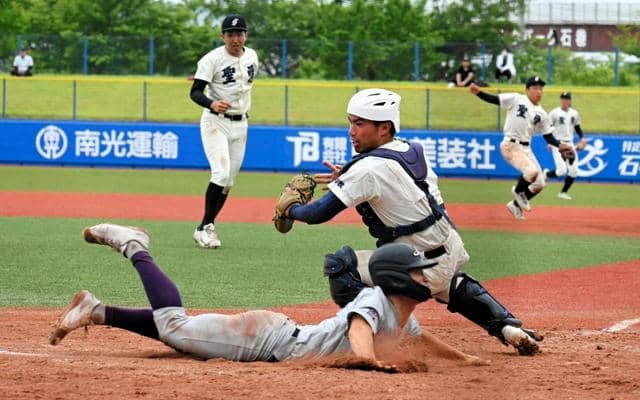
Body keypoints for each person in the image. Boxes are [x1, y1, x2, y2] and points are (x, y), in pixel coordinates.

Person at [275, 88, 543, 355]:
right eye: (350, 122)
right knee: (448, 283)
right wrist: (346, 178)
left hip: (420, 263)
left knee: (340, 266)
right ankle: (508, 328)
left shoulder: (367, 169)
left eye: (359, 124)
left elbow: (317, 214)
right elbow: (391, 181)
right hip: (450, 247)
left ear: (384, 128)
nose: (351, 131)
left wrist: (291, 209)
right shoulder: (411, 149)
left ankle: (378, 336)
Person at [49, 223, 487, 370]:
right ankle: (134, 245)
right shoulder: (374, 302)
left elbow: (423, 340)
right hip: (267, 342)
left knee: (183, 336)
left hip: (274, 336)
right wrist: (369, 362)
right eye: (418, 271)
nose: (425, 278)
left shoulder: (399, 311)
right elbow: (358, 331)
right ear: (396, 278)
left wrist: (464, 359)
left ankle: (98, 311)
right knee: (175, 326)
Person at [189, 14, 259, 249]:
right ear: (223, 36)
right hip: (216, 122)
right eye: (230, 34)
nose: (235, 38)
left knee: (228, 181)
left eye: (239, 33)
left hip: (241, 123)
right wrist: (211, 103)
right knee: (220, 173)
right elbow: (195, 92)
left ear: (246, 35)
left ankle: (203, 227)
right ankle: (207, 228)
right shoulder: (212, 59)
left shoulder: (252, 57)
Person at [470, 77, 572, 220]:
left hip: (526, 148)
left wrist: (560, 145)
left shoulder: (542, 113)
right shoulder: (516, 98)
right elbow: (495, 99)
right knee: (531, 172)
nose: (539, 91)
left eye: (541, 89)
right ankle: (518, 191)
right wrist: (478, 93)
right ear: (527, 90)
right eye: (535, 88)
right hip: (511, 145)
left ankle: (515, 205)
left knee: (539, 183)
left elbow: (548, 136)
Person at [544, 91, 587, 200]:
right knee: (561, 171)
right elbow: (547, 128)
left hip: (570, 143)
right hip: (558, 143)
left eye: (567, 99)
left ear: (570, 101)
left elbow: (577, 127)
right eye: (563, 98)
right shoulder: (554, 113)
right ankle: (546, 174)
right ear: (561, 100)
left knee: (574, 171)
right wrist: (549, 142)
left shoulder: (574, 113)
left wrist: (582, 138)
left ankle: (563, 193)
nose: (565, 100)